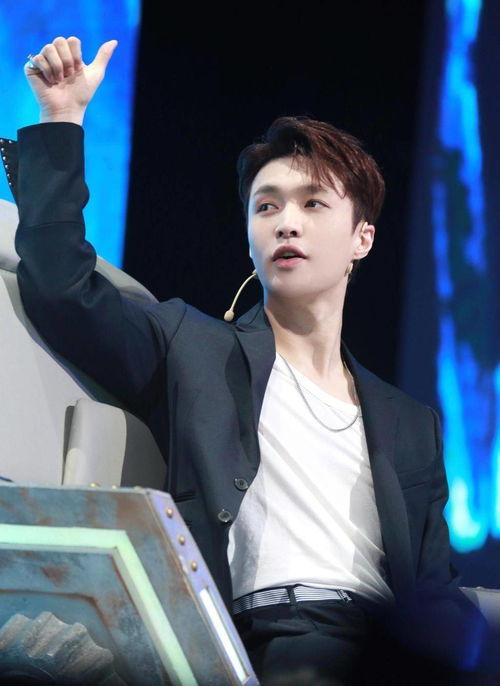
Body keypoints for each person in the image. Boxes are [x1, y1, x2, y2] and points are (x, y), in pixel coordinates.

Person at [14, 37, 493, 685]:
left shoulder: (412, 423)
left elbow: (433, 589)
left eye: (313, 203)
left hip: (385, 651)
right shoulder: (194, 348)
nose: (286, 222)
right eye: (267, 206)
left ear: (363, 238)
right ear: (249, 237)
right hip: (276, 643)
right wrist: (62, 117)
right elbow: (62, 289)